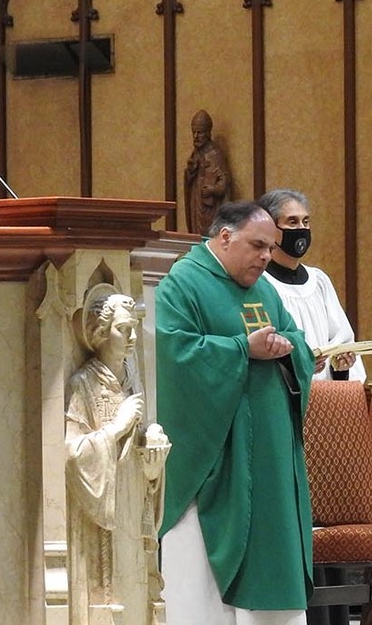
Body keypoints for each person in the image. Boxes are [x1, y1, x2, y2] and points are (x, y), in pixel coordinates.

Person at [155, 201, 315, 625]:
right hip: (216, 461)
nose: (266, 257)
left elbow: (298, 342)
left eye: (270, 248)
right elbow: (176, 356)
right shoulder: (183, 285)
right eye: (258, 246)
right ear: (225, 237)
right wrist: (245, 349)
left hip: (269, 459)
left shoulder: (265, 289)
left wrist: (288, 350)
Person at [65, 289, 170, 625]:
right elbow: (73, 453)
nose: (133, 337)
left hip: (132, 507)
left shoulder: (132, 380)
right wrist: (117, 426)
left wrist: (154, 469)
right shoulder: (83, 383)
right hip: (105, 516)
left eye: (135, 328)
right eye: (124, 329)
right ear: (99, 333)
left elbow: (140, 453)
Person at [256, 188, 365, 383]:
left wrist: (341, 366)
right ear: (271, 229)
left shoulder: (319, 281)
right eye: (292, 222)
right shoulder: (260, 283)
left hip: (324, 398)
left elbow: (343, 338)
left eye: (305, 221)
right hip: (286, 395)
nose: (301, 228)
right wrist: (298, 365)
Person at [183, 109, 232, 236]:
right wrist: (191, 171)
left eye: (199, 133)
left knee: (208, 233)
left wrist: (212, 189)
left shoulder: (215, 154)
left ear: (208, 133)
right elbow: (188, 179)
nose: (196, 137)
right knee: (196, 233)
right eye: (194, 133)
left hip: (210, 205)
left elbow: (224, 180)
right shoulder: (196, 153)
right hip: (196, 200)